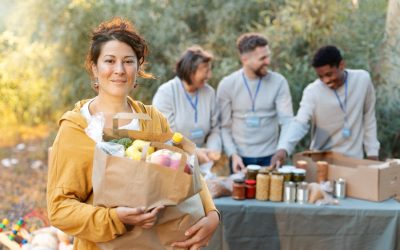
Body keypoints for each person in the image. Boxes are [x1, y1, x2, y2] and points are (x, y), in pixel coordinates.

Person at [47, 17, 219, 250]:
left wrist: (211, 214)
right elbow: (60, 209)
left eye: (128, 61)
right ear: (95, 68)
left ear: (138, 68)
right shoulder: (77, 128)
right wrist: (115, 218)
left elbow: (187, 171)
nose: (119, 70)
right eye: (109, 61)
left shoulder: (153, 120)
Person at [272, 45, 380, 166]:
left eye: (329, 74)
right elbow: (299, 123)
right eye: (320, 76)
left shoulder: (362, 80)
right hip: (322, 162)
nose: (325, 80)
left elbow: (369, 118)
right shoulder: (312, 91)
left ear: (341, 65)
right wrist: (283, 149)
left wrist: (372, 153)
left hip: (354, 161)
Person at [216, 33, 294, 173]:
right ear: (245, 59)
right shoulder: (227, 85)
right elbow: (224, 127)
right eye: (262, 58)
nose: (268, 61)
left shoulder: (279, 82)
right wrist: (233, 155)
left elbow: (288, 121)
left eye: (268, 56)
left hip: (271, 157)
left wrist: (282, 149)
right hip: (239, 159)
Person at [152, 46, 221, 164]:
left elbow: (215, 129)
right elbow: (166, 135)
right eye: (205, 70)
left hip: (203, 161)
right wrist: (195, 152)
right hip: (174, 160)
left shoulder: (209, 93)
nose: (209, 75)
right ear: (190, 70)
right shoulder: (166, 93)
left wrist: (212, 151)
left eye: (210, 70)